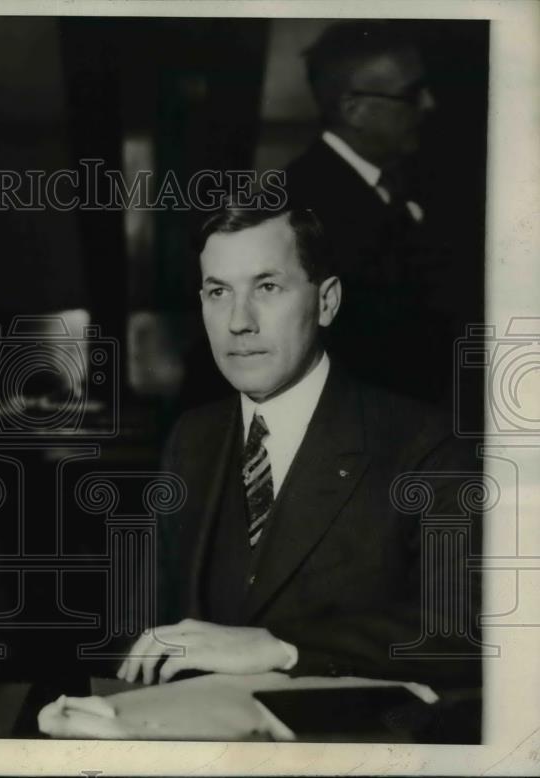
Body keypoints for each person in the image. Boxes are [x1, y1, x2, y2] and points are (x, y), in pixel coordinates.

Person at [117, 207, 481, 688]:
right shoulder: (192, 438)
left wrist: (283, 646)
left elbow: (463, 630)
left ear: (326, 302)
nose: (238, 322)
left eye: (267, 287)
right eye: (219, 292)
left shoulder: (425, 445)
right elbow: (143, 631)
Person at [284, 21, 453, 403]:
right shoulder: (304, 205)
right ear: (353, 110)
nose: (429, 104)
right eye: (411, 94)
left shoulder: (396, 184)